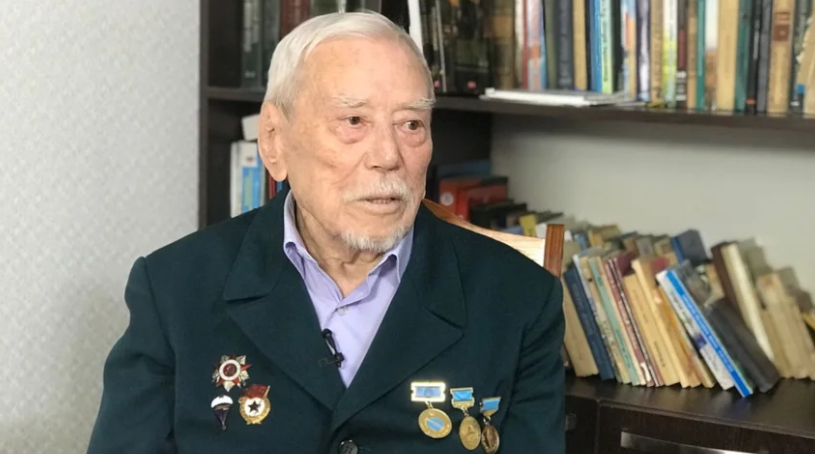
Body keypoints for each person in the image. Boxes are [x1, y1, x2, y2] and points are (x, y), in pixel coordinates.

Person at [86, 11, 564, 454]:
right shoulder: (174, 289)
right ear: (274, 141)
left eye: (411, 124)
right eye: (353, 121)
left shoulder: (520, 299)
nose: (388, 156)